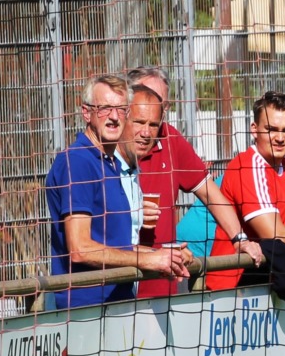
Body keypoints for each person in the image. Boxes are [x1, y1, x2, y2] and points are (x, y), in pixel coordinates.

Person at [46, 75, 191, 310]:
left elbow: (116, 246)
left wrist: (165, 255)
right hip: (85, 312)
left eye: (121, 109)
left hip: (118, 305)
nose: (114, 117)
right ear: (86, 113)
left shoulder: (111, 164)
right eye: (105, 108)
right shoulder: (78, 161)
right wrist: (148, 259)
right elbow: (80, 249)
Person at [124, 75, 261, 297]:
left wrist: (240, 239)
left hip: (163, 283)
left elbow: (210, 193)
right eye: (144, 98)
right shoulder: (104, 154)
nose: (151, 109)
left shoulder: (170, 139)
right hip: (115, 285)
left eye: (160, 103)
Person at [208, 91, 285, 289]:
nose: (279, 138)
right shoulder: (248, 166)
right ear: (254, 129)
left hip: (270, 281)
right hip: (233, 288)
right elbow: (274, 234)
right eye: (271, 129)